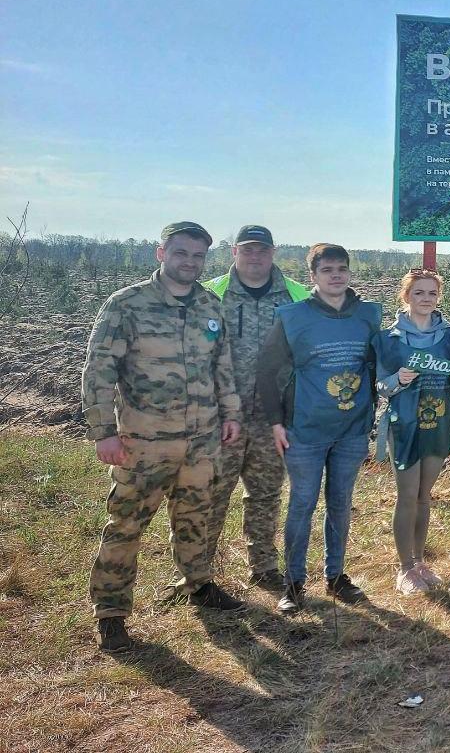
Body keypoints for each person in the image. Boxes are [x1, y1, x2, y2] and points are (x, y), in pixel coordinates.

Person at [84, 221, 245, 652]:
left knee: (196, 517)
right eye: (181, 253)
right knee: (126, 524)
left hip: (201, 439)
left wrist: (230, 415)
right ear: (161, 254)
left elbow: (222, 368)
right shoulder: (128, 304)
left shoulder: (210, 306)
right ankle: (111, 612)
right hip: (144, 441)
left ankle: (199, 585)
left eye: (197, 256)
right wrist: (103, 432)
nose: (189, 263)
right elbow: (99, 370)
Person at [258, 243, 381, 614]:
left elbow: (378, 364)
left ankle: (336, 576)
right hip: (305, 430)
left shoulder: (368, 315)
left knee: (341, 504)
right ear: (312, 276)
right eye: (327, 270)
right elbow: (266, 370)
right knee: (302, 504)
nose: (336, 276)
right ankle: (293, 583)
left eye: (341, 269)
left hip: (352, 429)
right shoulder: (293, 317)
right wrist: (276, 421)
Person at [202, 224, 309, 591]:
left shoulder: (296, 295)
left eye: (261, 249)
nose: (255, 256)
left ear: (273, 252)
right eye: (247, 249)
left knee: (265, 493)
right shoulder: (210, 294)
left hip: (272, 417)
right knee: (213, 491)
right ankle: (199, 573)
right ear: (233, 252)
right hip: (221, 416)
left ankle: (263, 566)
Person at [373, 268, 450, 596]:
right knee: (407, 495)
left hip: (438, 424)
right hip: (404, 425)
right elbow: (380, 384)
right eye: (419, 293)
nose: (426, 299)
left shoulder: (449, 336)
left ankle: (420, 562)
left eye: (432, 293)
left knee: (425, 495)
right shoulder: (388, 339)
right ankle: (404, 568)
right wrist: (397, 381)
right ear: (406, 296)